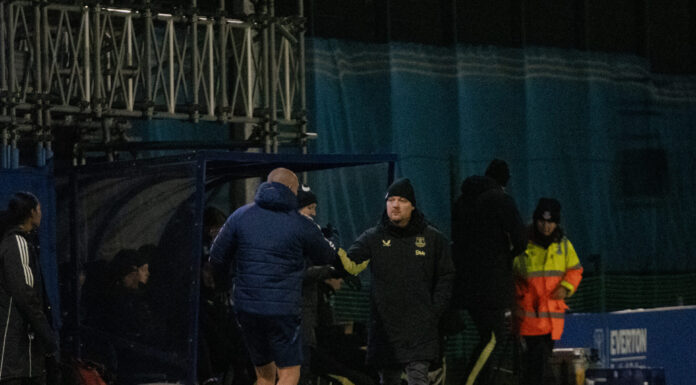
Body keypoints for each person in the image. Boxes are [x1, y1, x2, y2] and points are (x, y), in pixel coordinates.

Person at [209, 168, 339, 385]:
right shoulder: (301, 223)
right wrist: (331, 240)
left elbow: (216, 256)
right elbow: (326, 255)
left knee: (264, 375)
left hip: (247, 308)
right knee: (289, 373)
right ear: (291, 189)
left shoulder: (240, 216)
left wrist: (224, 286)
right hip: (282, 311)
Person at [338, 178, 455, 385]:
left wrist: (434, 310)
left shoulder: (433, 239)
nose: (395, 205)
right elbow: (350, 262)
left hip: (420, 328)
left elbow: (446, 276)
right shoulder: (373, 238)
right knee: (388, 380)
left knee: (418, 379)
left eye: (401, 200)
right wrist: (332, 253)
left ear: (412, 205)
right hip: (386, 328)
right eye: (391, 200)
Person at [450, 159, 526, 385]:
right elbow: (520, 241)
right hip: (491, 284)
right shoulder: (501, 201)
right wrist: (505, 254)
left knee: (488, 336)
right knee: (493, 336)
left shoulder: (462, 201)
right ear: (505, 181)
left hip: (463, 281)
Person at [513, 198, 583, 385]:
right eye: (542, 221)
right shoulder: (522, 243)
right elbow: (509, 273)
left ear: (556, 223)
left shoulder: (564, 245)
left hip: (552, 319)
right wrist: (518, 296)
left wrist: (566, 287)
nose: (546, 226)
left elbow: (575, 270)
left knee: (535, 368)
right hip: (529, 318)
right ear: (535, 220)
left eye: (550, 222)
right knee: (538, 366)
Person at [0, 192, 58, 385]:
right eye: (39, 209)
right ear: (31, 212)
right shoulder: (18, 243)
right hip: (18, 356)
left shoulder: (14, 243)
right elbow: (25, 294)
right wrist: (46, 335)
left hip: (17, 358)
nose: (41, 213)